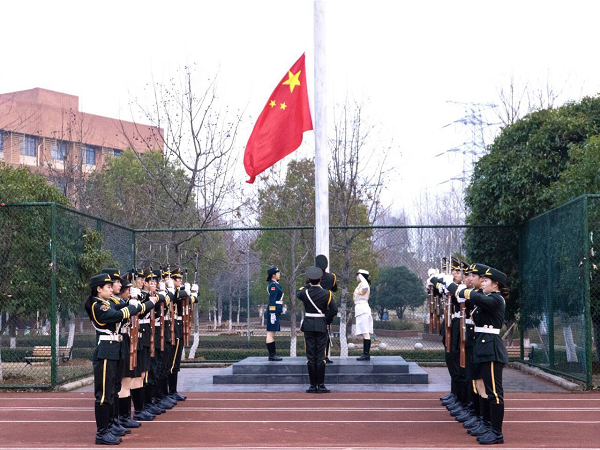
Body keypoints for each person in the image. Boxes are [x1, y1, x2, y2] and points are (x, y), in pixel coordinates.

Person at [447, 266, 509, 445]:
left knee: (494, 393)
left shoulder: (496, 299)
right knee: (481, 387)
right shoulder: (486, 298)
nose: (482, 283)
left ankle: (496, 432)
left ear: (496, 284)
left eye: (486, 280)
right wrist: (453, 288)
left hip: (491, 349)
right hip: (481, 347)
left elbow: (476, 297)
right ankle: (486, 424)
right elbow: (473, 299)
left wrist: (461, 289)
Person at [85, 273, 143, 445]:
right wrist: (132, 306)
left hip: (114, 349)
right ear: (98, 289)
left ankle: (110, 425)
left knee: (112, 390)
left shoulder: (107, 303)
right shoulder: (97, 305)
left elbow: (121, 307)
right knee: (104, 394)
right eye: (108, 287)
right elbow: (118, 315)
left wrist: (135, 301)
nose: (112, 289)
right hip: (106, 351)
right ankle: (102, 432)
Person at [296, 266, 338, 393]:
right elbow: (334, 310)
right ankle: (321, 385)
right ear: (320, 279)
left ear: (309, 280)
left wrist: (307, 285)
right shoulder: (327, 293)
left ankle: (312, 386)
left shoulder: (304, 293)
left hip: (308, 325)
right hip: (321, 326)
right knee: (321, 356)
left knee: (310, 356)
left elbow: (298, 292)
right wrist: (326, 320)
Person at [315, 254, 337, 364]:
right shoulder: (332, 277)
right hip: (327, 307)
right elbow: (335, 288)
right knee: (326, 333)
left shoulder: (313, 276)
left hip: (315, 308)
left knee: (314, 334)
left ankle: (315, 356)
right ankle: (325, 356)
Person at [354, 269, 373, 361]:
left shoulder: (364, 285)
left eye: (358, 275)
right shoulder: (361, 285)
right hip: (361, 309)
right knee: (365, 332)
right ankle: (365, 354)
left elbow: (365, 286)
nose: (356, 277)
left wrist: (362, 278)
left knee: (365, 332)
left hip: (363, 310)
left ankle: (366, 354)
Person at [265, 266, 284, 361]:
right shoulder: (273, 285)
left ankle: (273, 355)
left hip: (275, 311)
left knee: (272, 333)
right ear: (273, 275)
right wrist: (272, 313)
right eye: (278, 273)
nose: (279, 274)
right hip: (273, 311)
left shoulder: (275, 284)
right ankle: (272, 355)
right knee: (270, 333)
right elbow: (272, 301)